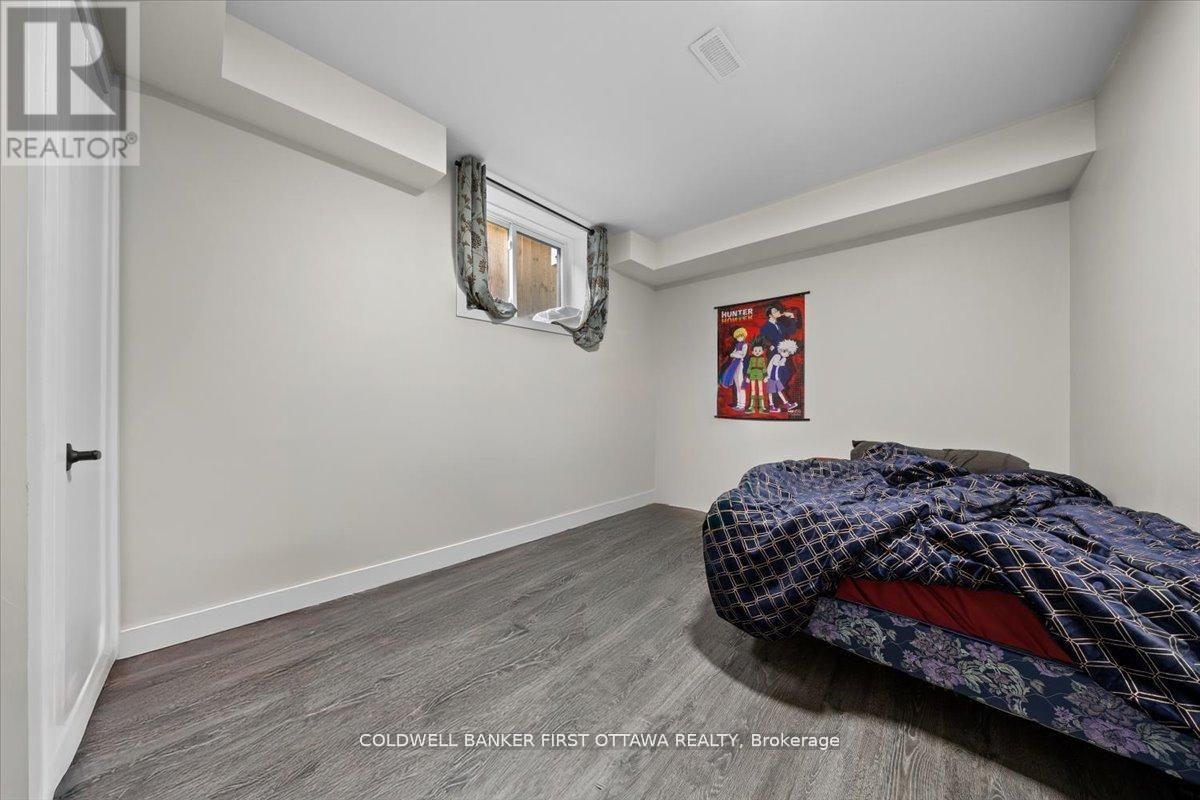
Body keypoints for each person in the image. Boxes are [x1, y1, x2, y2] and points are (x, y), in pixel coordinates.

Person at [760, 304, 800, 385]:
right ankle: (776, 392)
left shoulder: (779, 324)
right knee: (775, 374)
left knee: (787, 372)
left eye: (777, 310)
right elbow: (762, 339)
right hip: (774, 353)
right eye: (775, 311)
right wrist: (770, 345)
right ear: (770, 315)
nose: (778, 312)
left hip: (783, 352)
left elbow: (792, 331)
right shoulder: (765, 327)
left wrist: (792, 317)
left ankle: (780, 390)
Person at [765, 339, 800, 412]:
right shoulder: (777, 356)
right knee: (771, 392)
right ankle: (771, 406)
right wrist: (782, 361)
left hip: (776, 377)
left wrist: (783, 361)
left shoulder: (782, 358)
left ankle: (787, 404)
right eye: (785, 351)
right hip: (771, 377)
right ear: (780, 349)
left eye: (789, 353)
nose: (787, 354)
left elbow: (780, 365)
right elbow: (775, 364)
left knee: (779, 391)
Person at [718, 327, 749, 410]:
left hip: (740, 365)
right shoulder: (737, 345)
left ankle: (742, 404)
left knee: (740, 385)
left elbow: (742, 355)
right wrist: (736, 353)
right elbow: (731, 354)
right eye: (738, 337)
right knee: (736, 384)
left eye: (741, 336)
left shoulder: (745, 344)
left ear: (744, 336)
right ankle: (738, 404)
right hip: (734, 365)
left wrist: (736, 354)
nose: (739, 338)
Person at [743, 340, 768, 414]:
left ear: (762, 351)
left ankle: (762, 407)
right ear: (752, 352)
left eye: (759, 350)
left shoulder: (763, 359)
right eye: (755, 350)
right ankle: (751, 407)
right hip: (752, 374)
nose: (757, 352)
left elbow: (764, 368)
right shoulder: (751, 359)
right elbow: (749, 368)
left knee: (761, 390)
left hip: (760, 374)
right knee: (753, 390)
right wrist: (747, 376)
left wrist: (765, 376)